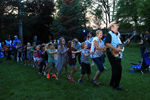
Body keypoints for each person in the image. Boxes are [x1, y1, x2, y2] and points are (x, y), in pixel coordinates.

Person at [105, 23, 122, 90]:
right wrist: (115, 49)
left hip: (117, 54)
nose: (117, 27)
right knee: (118, 68)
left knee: (115, 68)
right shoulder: (109, 34)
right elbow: (107, 44)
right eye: (116, 26)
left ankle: (112, 83)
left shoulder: (117, 34)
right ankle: (116, 84)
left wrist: (125, 43)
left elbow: (119, 44)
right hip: (111, 53)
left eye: (118, 26)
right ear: (112, 27)